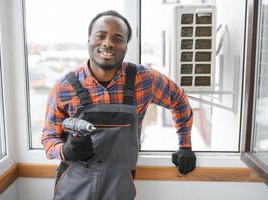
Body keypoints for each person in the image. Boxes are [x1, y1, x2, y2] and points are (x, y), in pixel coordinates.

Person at [42, 10, 196, 200]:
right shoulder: (63, 88)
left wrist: (185, 145)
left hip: (120, 186)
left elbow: (179, 100)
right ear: (88, 40)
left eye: (118, 38)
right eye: (100, 36)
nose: (108, 43)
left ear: (125, 46)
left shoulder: (145, 80)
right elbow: (49, 138)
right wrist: (64, 151)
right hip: (74, 185)